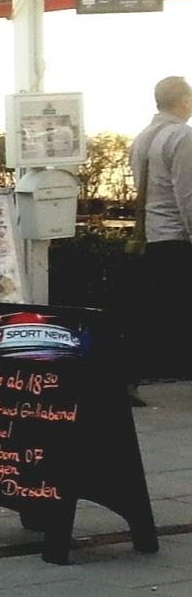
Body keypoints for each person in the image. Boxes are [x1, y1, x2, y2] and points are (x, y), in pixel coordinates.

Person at [129, 76, 192, 383]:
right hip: (177, 236)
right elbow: (187, 194)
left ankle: (150, 369)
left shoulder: (142, 138)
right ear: (185, 101)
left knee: (158, 307)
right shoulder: (183, 137)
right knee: (180, 308)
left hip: (151, 236)